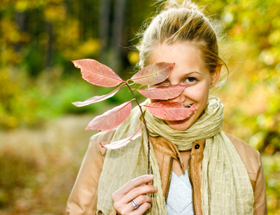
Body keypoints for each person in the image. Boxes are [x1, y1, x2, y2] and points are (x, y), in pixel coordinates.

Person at [66, 0, 267, 214]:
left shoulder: (247, 162)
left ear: (214, 75)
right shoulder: (105, 149)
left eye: (190, 79)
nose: (175, 97)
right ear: (144, 78)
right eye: (162, 83)